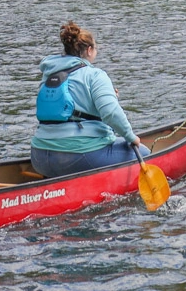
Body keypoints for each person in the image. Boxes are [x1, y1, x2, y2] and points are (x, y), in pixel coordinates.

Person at [30, 21, 144, 178]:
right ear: (89, 50)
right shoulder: (95, 75)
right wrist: (131, 137)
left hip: (39, 158)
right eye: (96, 48)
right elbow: (110, 113)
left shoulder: (49, 73)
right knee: (147, 154)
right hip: (75, 158)